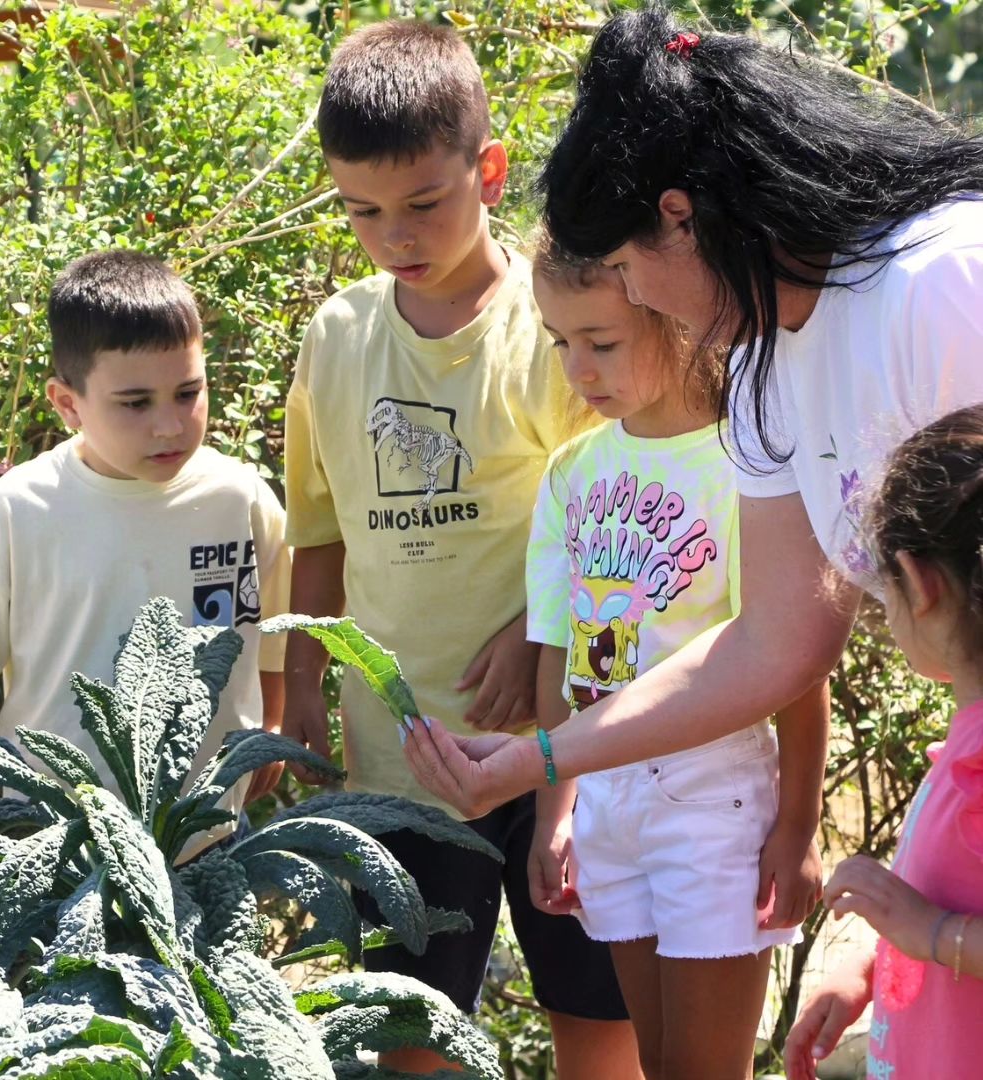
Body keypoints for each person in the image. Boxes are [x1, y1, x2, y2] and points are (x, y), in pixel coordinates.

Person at [401, 4, 983, 830]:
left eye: (624, 266)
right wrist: (543, 759)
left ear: (681, 217)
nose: (633, 296)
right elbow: (774, 643)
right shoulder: (760, 358)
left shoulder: (945, 285)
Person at [281, 20, 638, 1078]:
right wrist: (300, 684)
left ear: (488, 170)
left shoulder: (557, 330)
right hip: (401, 759)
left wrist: (544, 637)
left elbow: (612, 541)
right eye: (362, 210)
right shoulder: (336, 336)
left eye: (423, 202)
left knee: (603, 1029)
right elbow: (319, 530)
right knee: (409, 1040)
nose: (394, 233)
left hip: (557, 749)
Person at [521, 236, 826, 1079]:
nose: (579, 368)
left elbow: (793, 663)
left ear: (673, 318)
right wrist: (558, 812)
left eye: (602, 341)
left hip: (715, 802)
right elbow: (558, 651)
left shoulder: (750, 460)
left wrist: (798, 823)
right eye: (561, 341)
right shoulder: (571, 470)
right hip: (609, 799)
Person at [0, 251, 290, 856]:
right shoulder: (20, 509)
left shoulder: (241, 498)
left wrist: (268, 727)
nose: (170, 425)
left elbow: (270, 632)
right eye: (136, 403)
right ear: (68, 403)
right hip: (52, 842)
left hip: (206, 833)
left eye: (188, 392)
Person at [784, 406, 983, 1079]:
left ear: (919, 584)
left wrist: (930, 933)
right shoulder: (966, 739)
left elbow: (943, 923)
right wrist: (870, 967)